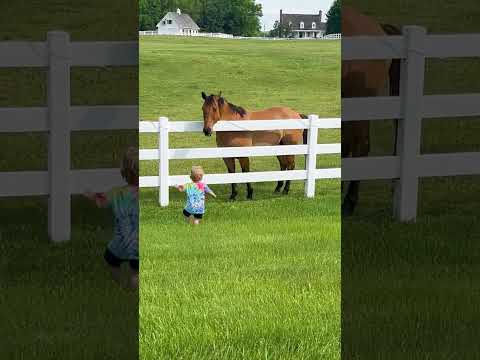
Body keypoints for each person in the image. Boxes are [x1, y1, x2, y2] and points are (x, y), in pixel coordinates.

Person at [84, 147, 139, 290]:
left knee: (112, 260)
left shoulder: (117, 193)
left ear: (124, 172)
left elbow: (101, 201)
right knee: (136, 269)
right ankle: (134, 286)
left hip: (121, 242)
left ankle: (118, 283)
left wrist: (92, 195)